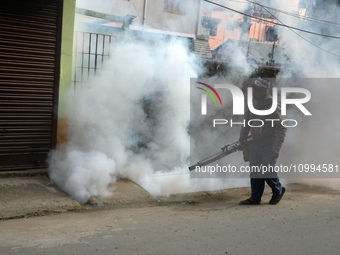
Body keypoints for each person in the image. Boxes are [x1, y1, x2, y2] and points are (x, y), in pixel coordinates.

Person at [239, 77, 287, 205]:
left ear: (263, 92)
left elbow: (282, 128)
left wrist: (276, 147)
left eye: (256, 91)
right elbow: (247, 121)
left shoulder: (272, 105)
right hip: (255, 143)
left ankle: (278, 190)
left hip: (269, 144)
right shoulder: (252, 103)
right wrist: (242, 136)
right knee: (255, 171)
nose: (254, 93)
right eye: (253, 90)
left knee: (267, 171)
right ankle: (255, 197)